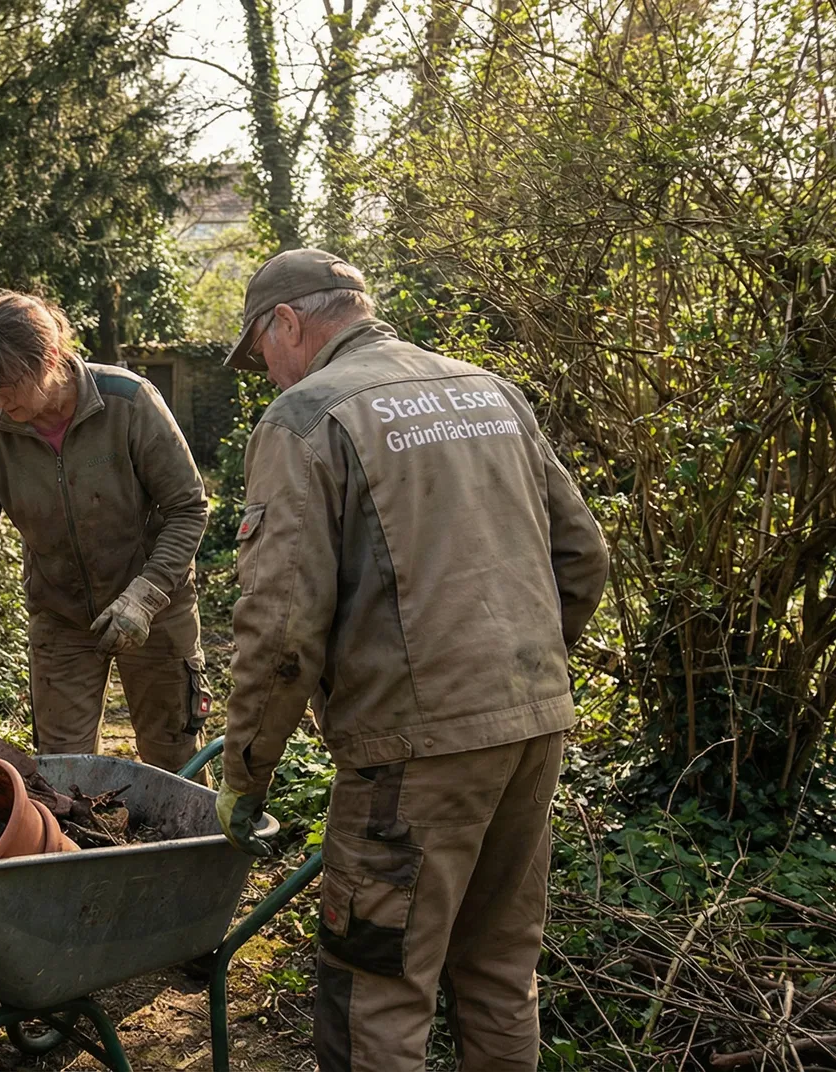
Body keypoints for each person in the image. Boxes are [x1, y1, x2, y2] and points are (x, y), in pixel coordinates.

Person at [214, 249, 609, 1070]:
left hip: (412, 757)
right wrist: (519, 677)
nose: (267, 374)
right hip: (532, 727)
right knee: (500, 970)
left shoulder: (308, 418)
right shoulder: (489, 393)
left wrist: (246, 773)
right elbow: (584, 557)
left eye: (261, 352)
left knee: (378, 987)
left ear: (289, 322)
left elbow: (282, 633)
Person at [0, 290, 212, 772]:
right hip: (61, 617)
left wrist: (144, 597)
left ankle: (184, 849)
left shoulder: (127, 403)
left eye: (7, 386)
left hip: (157, 607)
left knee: (174, 761)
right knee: (62, 770)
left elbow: (188, 507)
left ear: (48, 357)